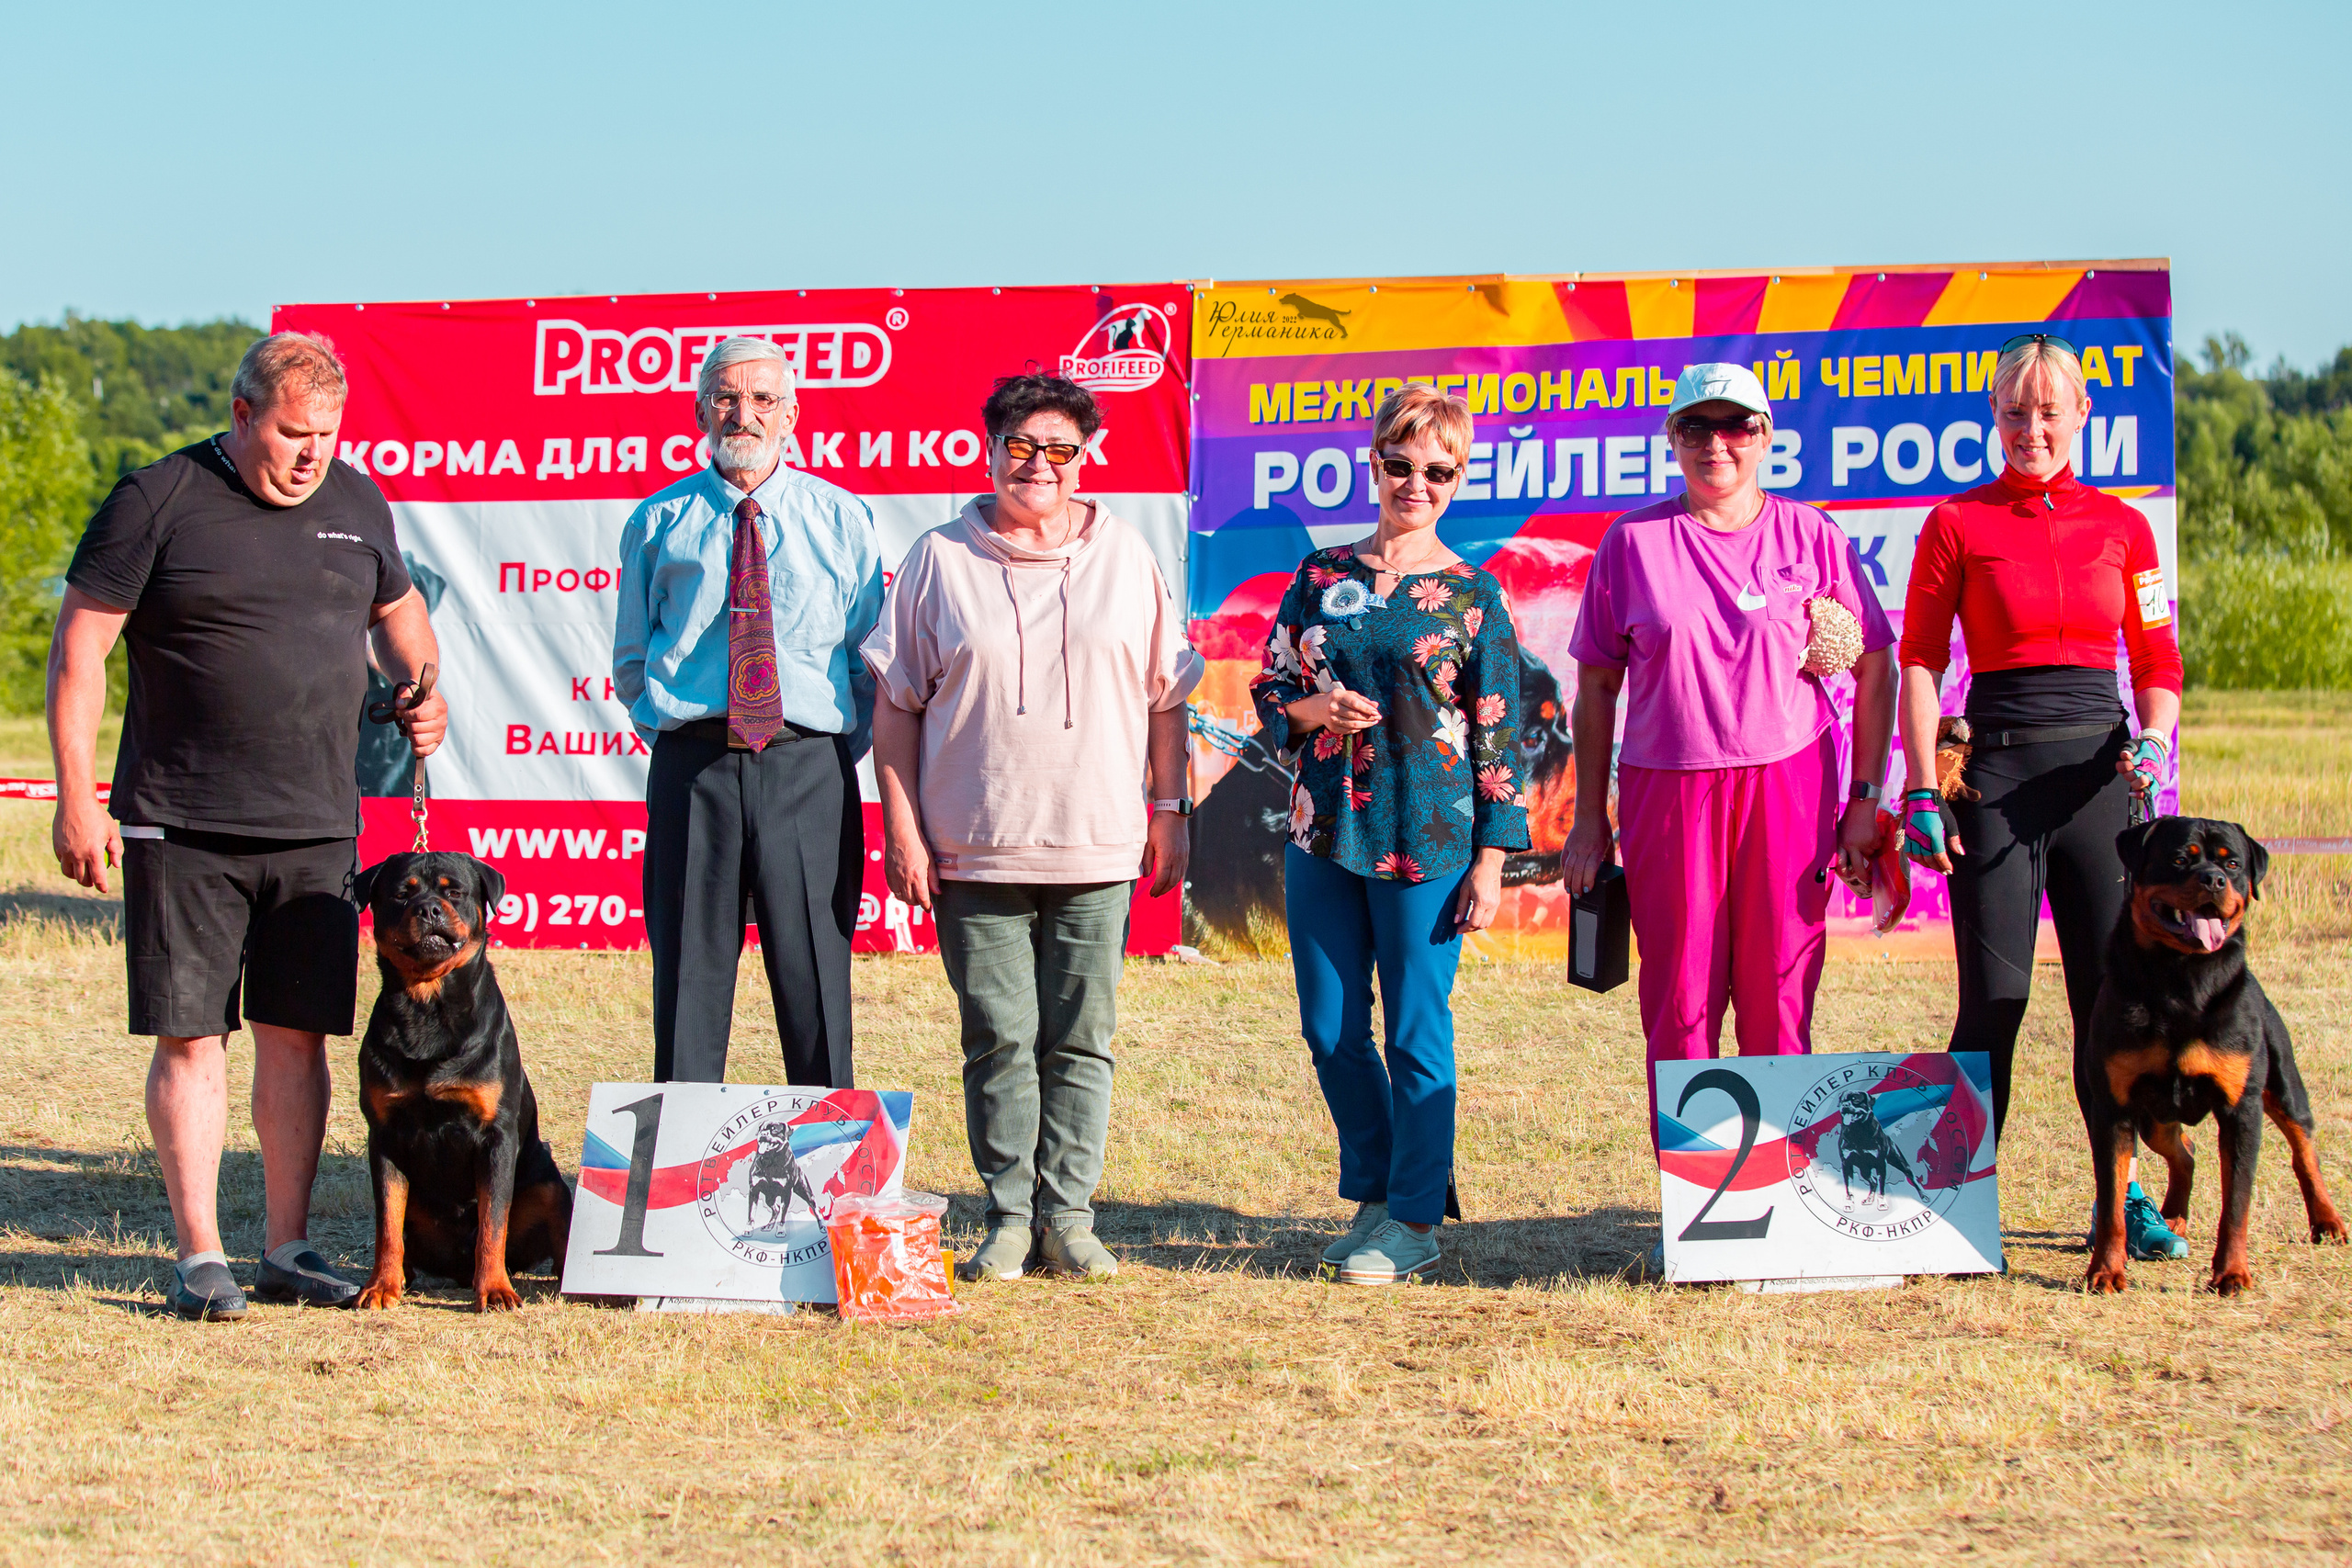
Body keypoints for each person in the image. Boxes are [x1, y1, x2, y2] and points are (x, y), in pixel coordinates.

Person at [48, 331, 447, 1322]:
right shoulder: (159, 500)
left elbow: (401, 616)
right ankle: (199, 1258)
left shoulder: (356, 502)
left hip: (316, 825)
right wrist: (76, 795)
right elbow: (80, 651)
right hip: (180, 822)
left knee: (299, 1039)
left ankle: (287, 1246)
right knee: (193, 1039)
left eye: (328, 434)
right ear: (241, 417)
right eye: (292, 432)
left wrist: (424, 689)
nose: (312, 453)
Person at [865, 375, 1199, 1282]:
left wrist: (1170, 811)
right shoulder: (939, 557)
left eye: (1059, 449)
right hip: (973, 845)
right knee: (999, 1037)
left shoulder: (1126, 556)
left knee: (1081, 1038)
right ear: (990, 445)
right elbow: (895, 706)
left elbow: (1166, 698)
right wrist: (901, 829)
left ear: (1085, 456)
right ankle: (1009, 1217)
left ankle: (1070, 1219)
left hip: (1098, 843)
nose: (1039, 466)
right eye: (1022, 445)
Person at [1895, 333, 2186, 1261]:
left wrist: (2153, 740)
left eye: (2049, 411)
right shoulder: (1955, 523)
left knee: (2109, 1005)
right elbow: (1919, 662)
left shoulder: (2124, 528)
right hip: (1996, 782)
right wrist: (1916, 790)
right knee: (1995, 1001)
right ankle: (1948, 1203)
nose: (2031, 429)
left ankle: (2122, 1203)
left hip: (2101, 784)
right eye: (2014, 412)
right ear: (1993, 418)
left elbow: (2157, 662)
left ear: (2081, 417)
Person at [1561, 364, 1897, 1153]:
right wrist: (1587, 822)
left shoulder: (1811, 537)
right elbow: (1598, 688)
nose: (1718, 444)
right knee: (1680, 997)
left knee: (1780, 993)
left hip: (1789, 784)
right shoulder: (1633, 543)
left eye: (1738, 426)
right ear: (1673, 439)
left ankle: (1778, 1207)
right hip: (1667, 792)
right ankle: (1702, 1205)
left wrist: (1864, 800)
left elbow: (1875, 666)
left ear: (1765, 436)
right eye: (1697, 428)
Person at [1250, 384, 1530, 1287]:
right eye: (1401, 465)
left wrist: (1492, 858)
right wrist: (1309, 707)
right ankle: (1376, 1190)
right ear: (1372, 464)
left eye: (1438, 471)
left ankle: (1413, 1221)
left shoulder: (1471, 594)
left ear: (1458, 479)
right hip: (1323, 829)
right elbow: (1268, 693)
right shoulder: (1320, 575)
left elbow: (1499, 731)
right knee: (1329, 1029)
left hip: (1430, 840)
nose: (1417, 484)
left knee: (1415, 1032)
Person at [614, 336, 883, 1089]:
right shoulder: (657, 521)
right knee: (687, 983)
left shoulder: (843, 518)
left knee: (816, 985)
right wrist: (689, 736)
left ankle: (831, 1177)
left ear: (792, 414)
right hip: (693, 768)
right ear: (701, 409)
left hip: (808, 769)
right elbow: (633, 660)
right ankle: (677, 1186)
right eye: (727, 397)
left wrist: (819, 747)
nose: (745, 413)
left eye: (764, 399)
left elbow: (867, 660)